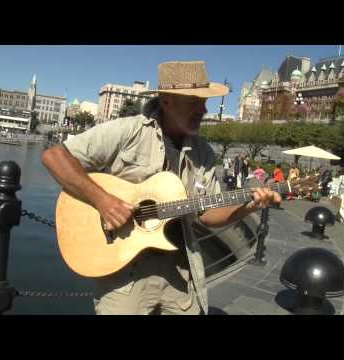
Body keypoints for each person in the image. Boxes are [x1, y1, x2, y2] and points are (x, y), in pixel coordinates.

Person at [41, 60, 281, 315]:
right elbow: (55, 157)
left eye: (204, 101)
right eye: (194, 102)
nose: (203, 109)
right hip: (125, 276)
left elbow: (208, 214)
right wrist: (103, 201)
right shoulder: (128, 131)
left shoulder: (204, 153)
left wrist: (248, 206)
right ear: (166, 101)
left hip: (180, 274)